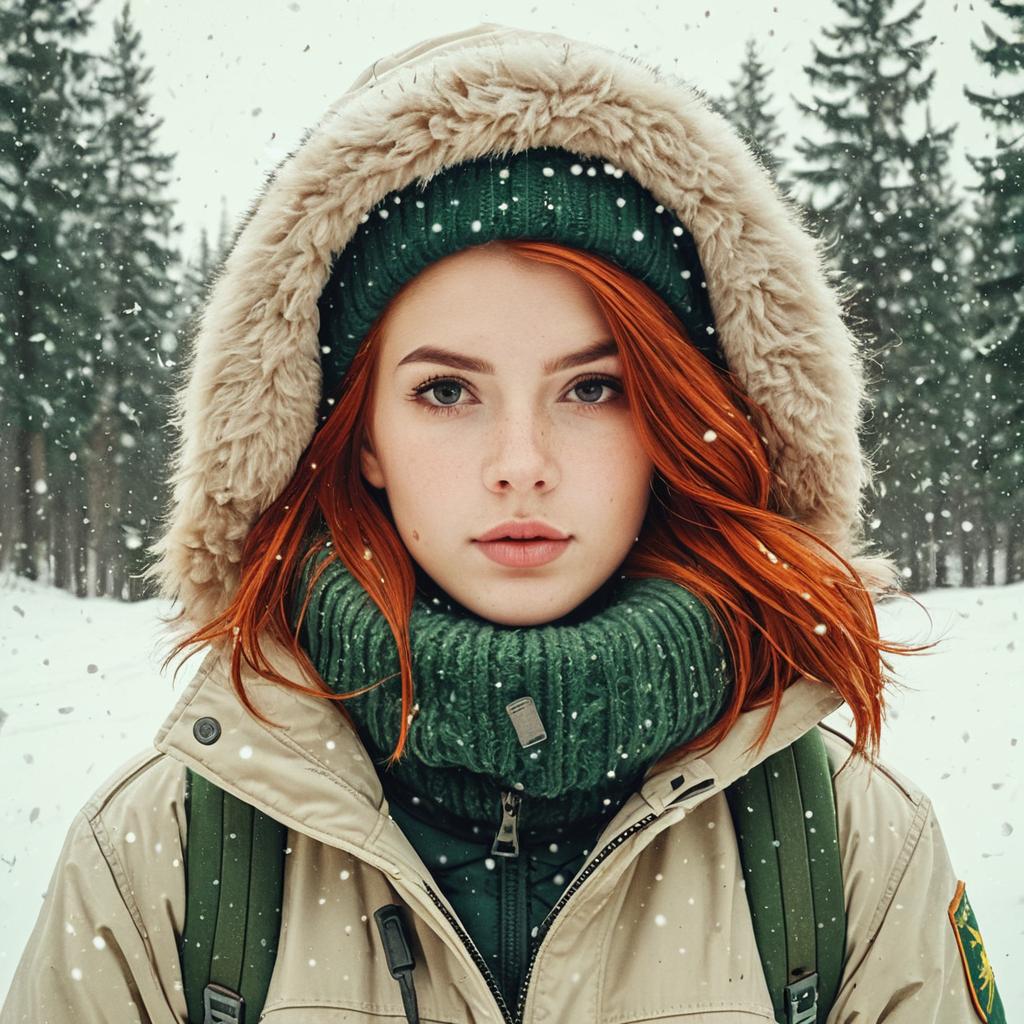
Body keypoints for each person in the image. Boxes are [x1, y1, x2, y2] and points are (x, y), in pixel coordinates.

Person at [1, 22, 1005, 1024]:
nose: (521, 464)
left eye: (594, 389)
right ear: (360, 437)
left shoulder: (848, 850)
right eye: (445, 391)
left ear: (674, 419)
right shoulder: (168, 858)